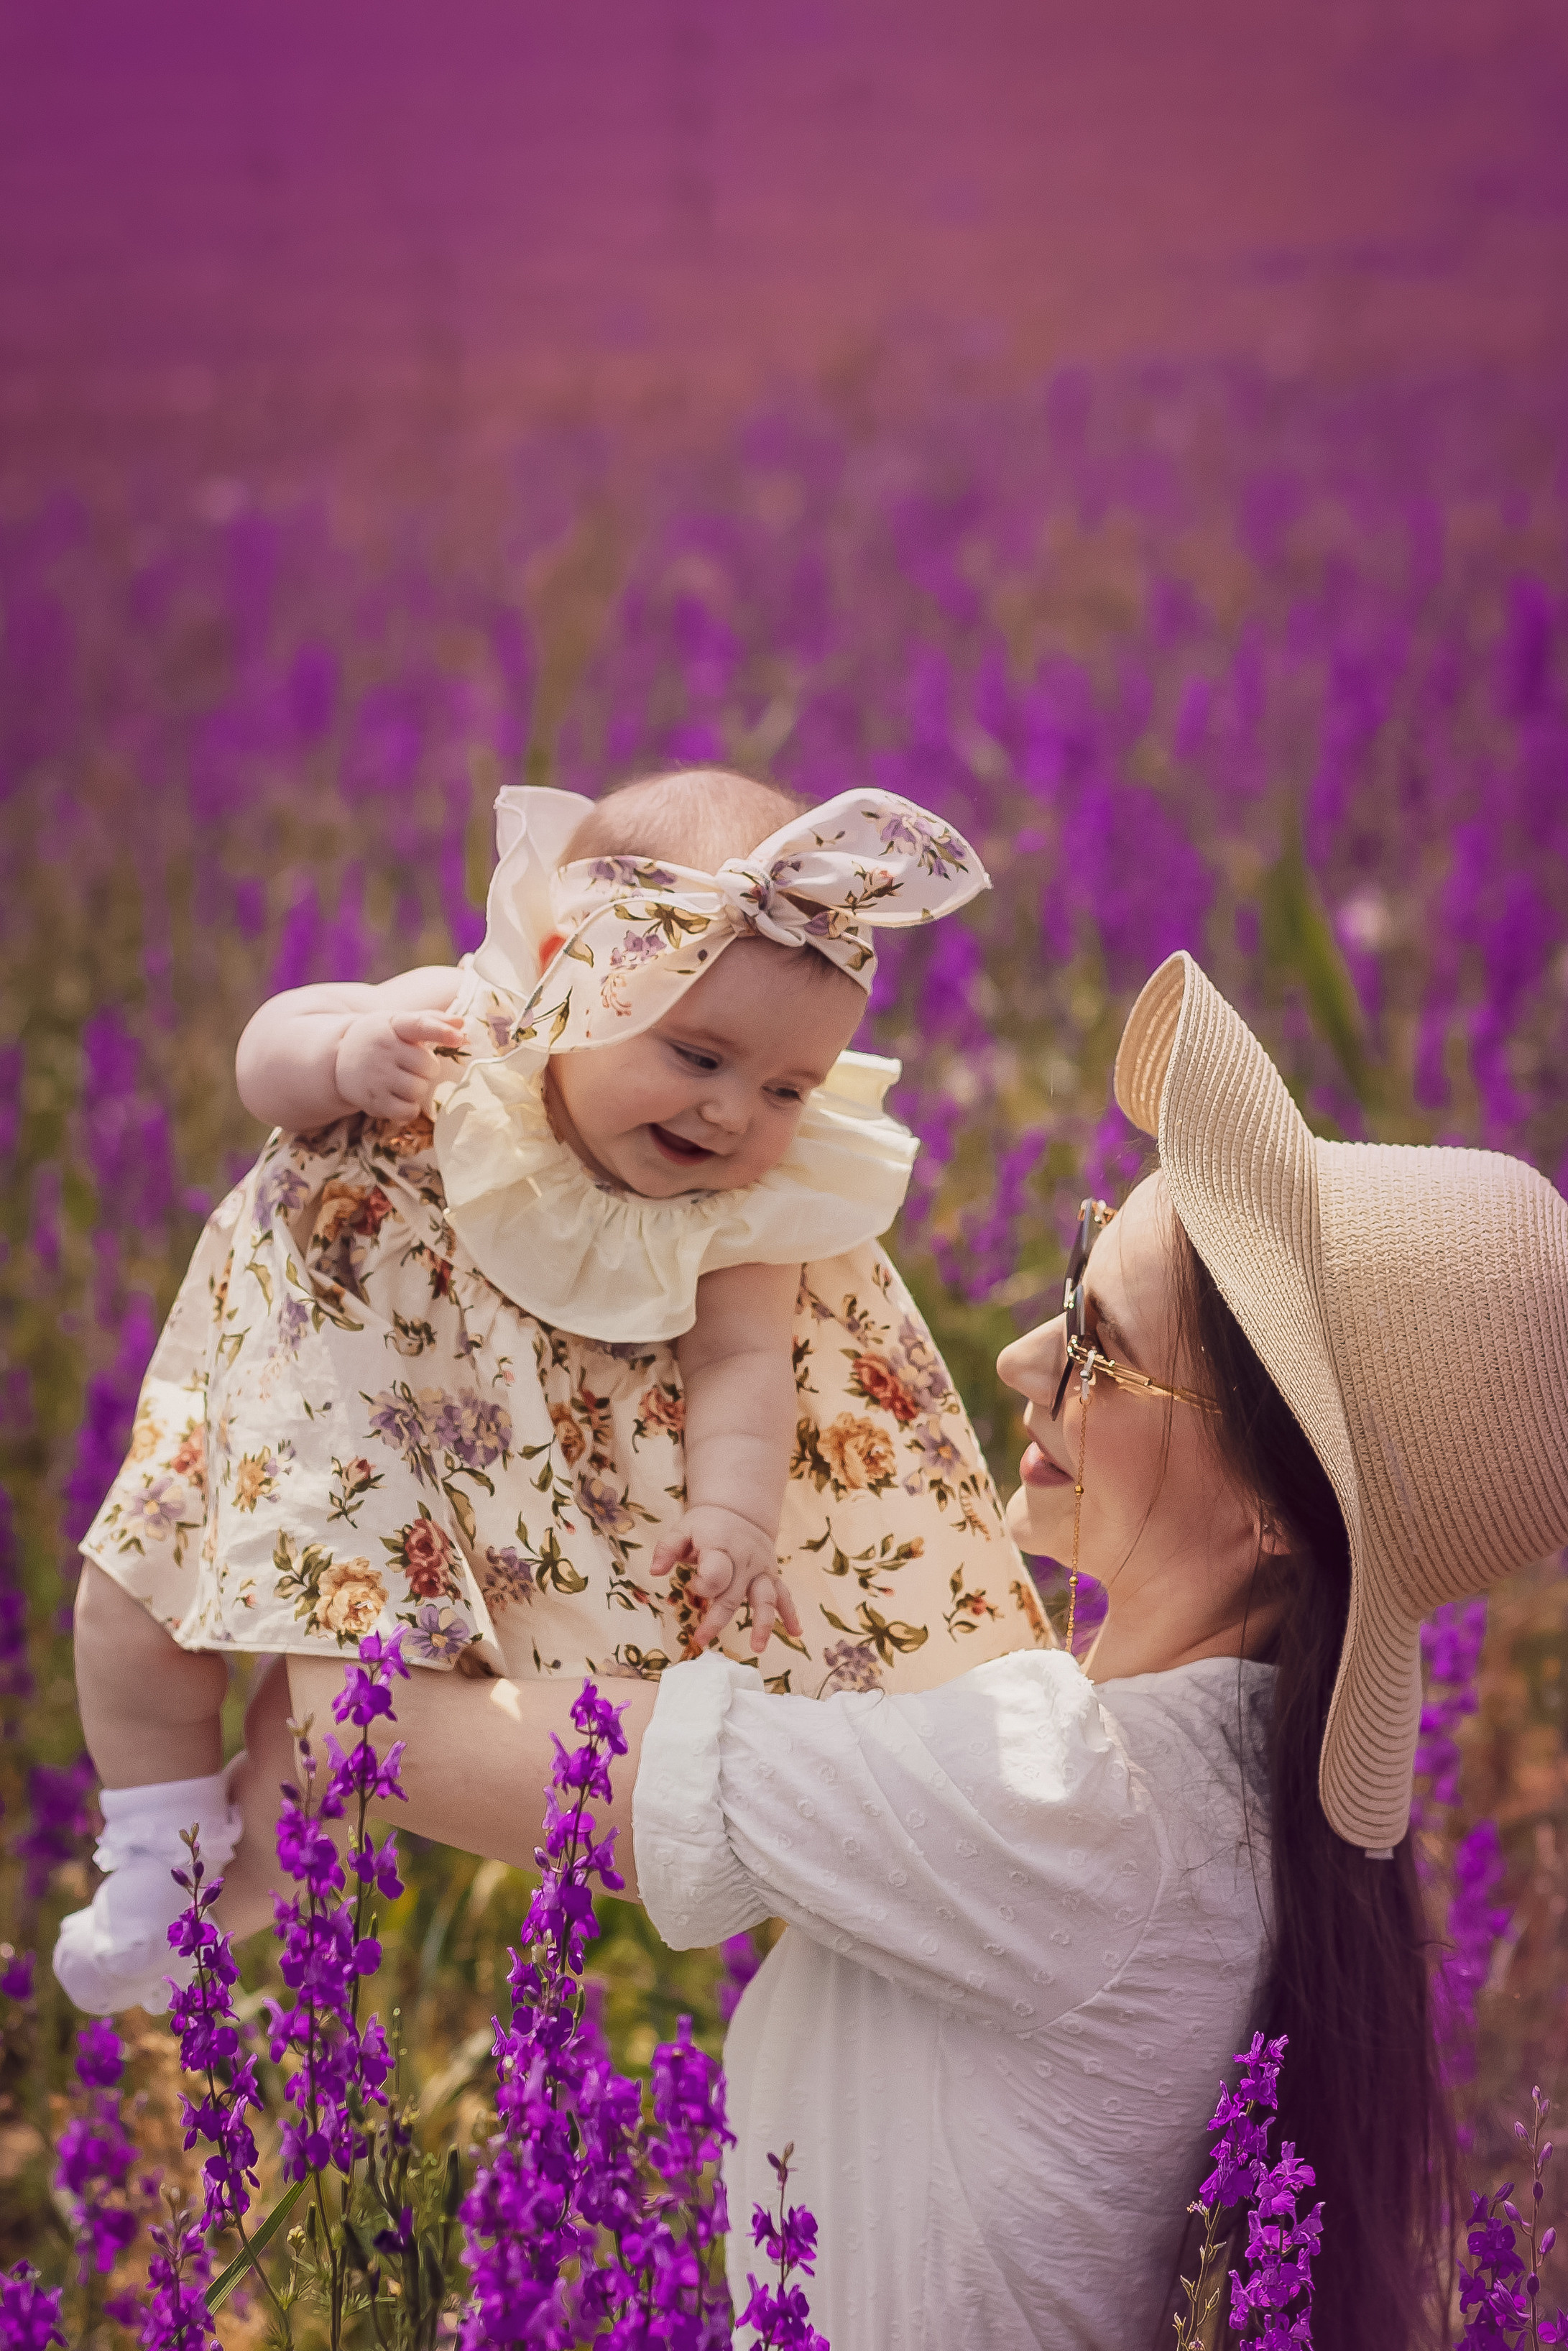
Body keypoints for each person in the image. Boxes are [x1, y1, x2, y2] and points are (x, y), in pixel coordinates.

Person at [220, 949, 1568, 2351]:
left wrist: (303, 1366)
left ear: (1272, 1518)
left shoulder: (1065, 1799)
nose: (1026, 1363)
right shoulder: (1182, 1772)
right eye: (1067, 1284)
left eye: (1101, 1350)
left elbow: (408, 1749)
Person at [56, 769, 1048, 2018]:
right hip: (323, 1400)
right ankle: (151, 1839)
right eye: (696, 1054)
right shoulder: (449, 1024)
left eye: (786, 1090)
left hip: (480, 1497)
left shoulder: (744, 1211)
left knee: (338, 1701)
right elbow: (267, 1058)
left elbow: (743, 1363)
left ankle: (223, 1892)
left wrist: (733, 1517)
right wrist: (342, 1054)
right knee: (131, 1604)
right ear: (571, 975)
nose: (732, 1111)